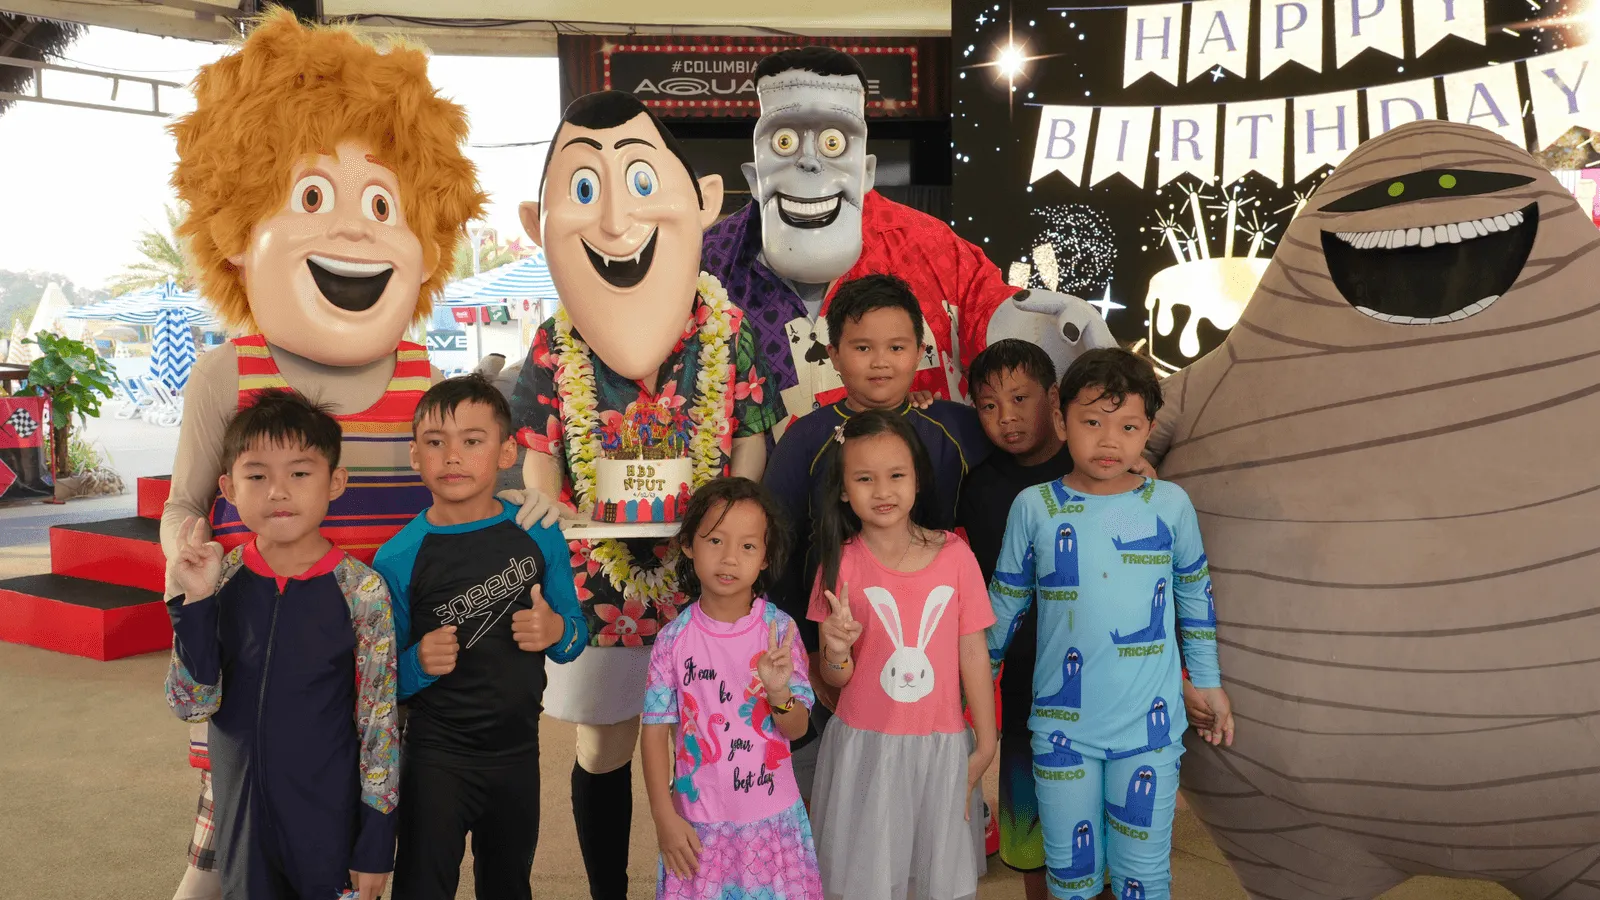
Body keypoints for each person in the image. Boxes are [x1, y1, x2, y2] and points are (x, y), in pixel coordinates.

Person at [159, 15, 487, 894]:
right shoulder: (229, 371)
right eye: (312, 198)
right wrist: (186, 565)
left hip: (393, 662)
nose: (353, 231)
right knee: (222, 856)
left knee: (379, 849)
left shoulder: (430, 380)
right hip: (264, 650)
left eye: (382, 205)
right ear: (237, 223)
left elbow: (465, 496)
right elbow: (186, 500)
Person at [506, 90, 785, 899]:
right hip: (601, 582)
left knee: (706, 737)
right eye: (586, 191)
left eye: (637, 182)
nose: (616, 221)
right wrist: (547, 501)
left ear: (701, 200)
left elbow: (750, 429)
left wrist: (735, 524)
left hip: (710, 580)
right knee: (605, 747)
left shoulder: (729, 331)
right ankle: (607, 891)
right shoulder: (555, 340)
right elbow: (539, 443)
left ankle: (702, 883)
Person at [701, 46, 1115, 421]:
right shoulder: (709, 261)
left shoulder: (928, 245)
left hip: (917, 493)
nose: (809, 164)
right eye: (785, 141)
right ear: (754, 175)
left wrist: (1047, 338)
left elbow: (986, 311)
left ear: (865, 170)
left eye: (832, 142)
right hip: (768, 493)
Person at [986, 349, 1236, 900]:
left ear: (1148, 428)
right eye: (1091, 422)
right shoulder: (1035, 507)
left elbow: (1195, 597)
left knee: (1143, 879)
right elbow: (1003, 605)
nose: (1107, 441)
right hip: (1060, 731)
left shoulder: (1170, 505)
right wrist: (966, 691)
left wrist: (1209, 681)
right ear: (1060, 421)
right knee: (1070, 880)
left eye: (1127, 426)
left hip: (1149, 730)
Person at [164, 391, 400, 900]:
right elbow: (190, 702)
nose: (277, 491)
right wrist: (197, 604)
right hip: (241, 821)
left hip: (328, 824)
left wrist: (377, 840)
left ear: (335, 482)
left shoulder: (361, 590)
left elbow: (379, 720)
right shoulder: (218, 581)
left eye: (299, 473)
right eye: (256, 476)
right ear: (227, 487)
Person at [763, 273, 989, 794]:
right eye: (862, 347)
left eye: (897, 347)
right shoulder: (808, 439)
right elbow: (777, 548)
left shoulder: (955, 428)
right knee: (837, 796)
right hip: (835, 647)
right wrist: (810, 657)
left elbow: (1030, 456)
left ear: (921, 350)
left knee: (928, 795)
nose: (881, 361)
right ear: (834, 355)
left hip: (926, 665)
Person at [372, 376, 587, 900]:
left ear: (507, 450)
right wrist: (419, 661)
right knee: (422, 886)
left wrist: (555, 631)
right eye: (435, 442)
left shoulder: (537, 530)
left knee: (509, 885)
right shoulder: (397, 557)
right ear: (414, 455)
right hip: (436, 756)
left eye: (472, 440)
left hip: (518, 753)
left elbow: (576, 635)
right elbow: (381, 685)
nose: (452, 456)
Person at [807, 410, 997, 900]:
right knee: (867, 877)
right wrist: (835, 647)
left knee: (934, 876)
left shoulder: (955, 556)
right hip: (865, 750)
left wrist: (986, 742)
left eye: (896, 476)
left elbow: (973, 651)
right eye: (865, 478)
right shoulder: (840, 563)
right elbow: (834, 678)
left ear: (917, 479)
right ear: (845, 490)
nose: (883, 490)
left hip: (940, 746)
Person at [641, 477, 821, 900]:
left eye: (747, 546)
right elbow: (652, 735)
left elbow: (796, 730)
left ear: (764, 558)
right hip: (698, 826)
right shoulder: (672, 640)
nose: (729, 558)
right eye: (715, 540)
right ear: (688, 544)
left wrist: (779, 695)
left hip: (772, 821)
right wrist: (664, 818)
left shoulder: (779, 631)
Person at [955, 339, 1071, 900]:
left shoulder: (1095, 469)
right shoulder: (976, 487)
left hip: (1102, 681)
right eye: (989, 405)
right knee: (1033, 841)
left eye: (1021, 398)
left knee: (1103, 833)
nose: (1008, 418)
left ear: (1053, 398)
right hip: (1025, 688)